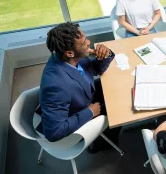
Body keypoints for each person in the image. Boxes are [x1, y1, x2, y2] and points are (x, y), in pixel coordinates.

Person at [36, 22, 121, 153]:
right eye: (84, 42)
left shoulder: (68, 57)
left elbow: (94, 69)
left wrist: (106, 54)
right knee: (117, 109)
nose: (89, 42)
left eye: (86, 38)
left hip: (82, 93)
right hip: (77, 112)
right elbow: (53, 132)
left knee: (116, 87)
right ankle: (100, 144)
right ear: (70, 53)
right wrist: (90, 112)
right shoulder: (57, 86)